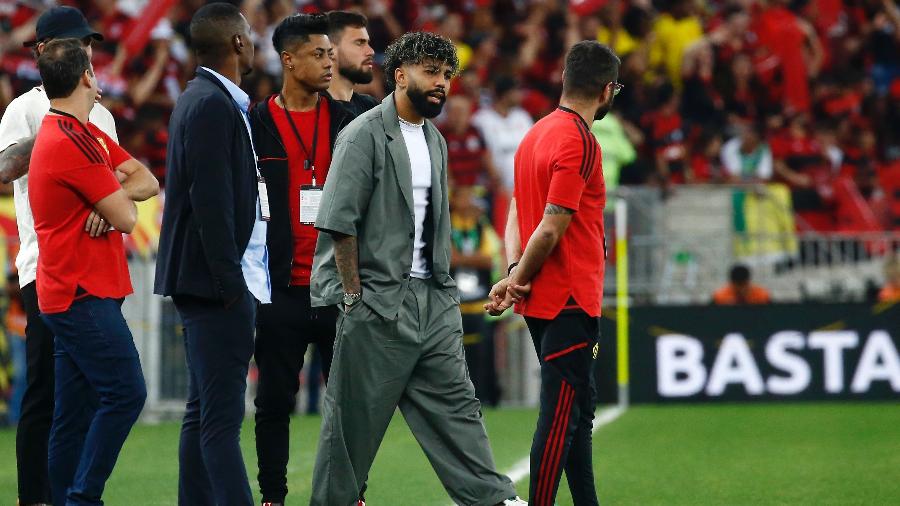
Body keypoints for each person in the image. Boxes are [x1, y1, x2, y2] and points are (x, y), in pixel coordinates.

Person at [309, 31, 523, 506]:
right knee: (351, 433)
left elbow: (435, 224)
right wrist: (352, 296)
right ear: (400, 75)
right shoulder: (363, 134)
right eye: (431, 71)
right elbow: (339, 222)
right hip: (377, 304)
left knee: (460, 412)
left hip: (435, 302)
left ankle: (495, 499)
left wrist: (443, 290)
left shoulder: (437, 140)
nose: (442, 83)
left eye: (447, 74)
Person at [0, 6, 155, 505]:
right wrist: (58, 130)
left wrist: (108, 201)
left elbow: (137, 182)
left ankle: (68, 493)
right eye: (74, 42)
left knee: (79, 400)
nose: (86, 50)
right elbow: (4, 169)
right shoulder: (25, 110)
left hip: (97, 265)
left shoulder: (100, 113)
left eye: (87, 42)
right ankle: (41, 497)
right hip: (46, 265)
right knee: (47, 398)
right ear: (43, 50)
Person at [486, 41, 622, 506]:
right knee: (561, 415)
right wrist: (517, 278)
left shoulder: (535, 134)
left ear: (565, 80)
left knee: (578, 412)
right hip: (568, 296)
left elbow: (514, 211)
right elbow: (550, 226)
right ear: (607, 90)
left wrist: (511, 272)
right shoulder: (579, 140)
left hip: (544, 299)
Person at [154, 3, 270, 505]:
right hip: (216, 284)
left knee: (203, 413)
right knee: (221, 421)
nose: (254, 40)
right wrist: (230, 286)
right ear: (238, 44)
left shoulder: (212, 100)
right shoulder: (211, 105)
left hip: (209, 281)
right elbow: (210, 203)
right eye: (249, 34)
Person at [247, 13, 352, 506]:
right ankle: (273, 497)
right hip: (281, 288)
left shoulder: (349, 121)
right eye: (318, 54)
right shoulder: (256, 122)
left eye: (331, 53)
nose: (329, 62)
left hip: (337, 289)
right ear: (288, 60)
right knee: (272, 403)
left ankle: (350, 493)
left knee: (348, 406)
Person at [450, 185, 503, 405]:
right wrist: (472, 258)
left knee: (482, 356)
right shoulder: (447, 224)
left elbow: (490, 259)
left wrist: (461, 258)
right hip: (453, 306)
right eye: (465, 197)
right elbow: (446, 258)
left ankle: (486, 398)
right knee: (454, 357)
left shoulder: (482, 227)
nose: (469, 202)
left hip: (480, 305)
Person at [472, 75, 534, 194]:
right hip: (494, 188)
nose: (520, 95)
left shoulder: (523, 117)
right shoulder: (481, 119)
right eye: (517, 91)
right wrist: (495, 178)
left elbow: (534, 148)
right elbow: (480, 153)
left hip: (524, 185)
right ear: (506, 94)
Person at [325, 10, 378, 117]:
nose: (371, 51)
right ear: (331, 50)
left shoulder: (371, 108)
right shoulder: (310, 111)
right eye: (359, 43)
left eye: (368, 43)